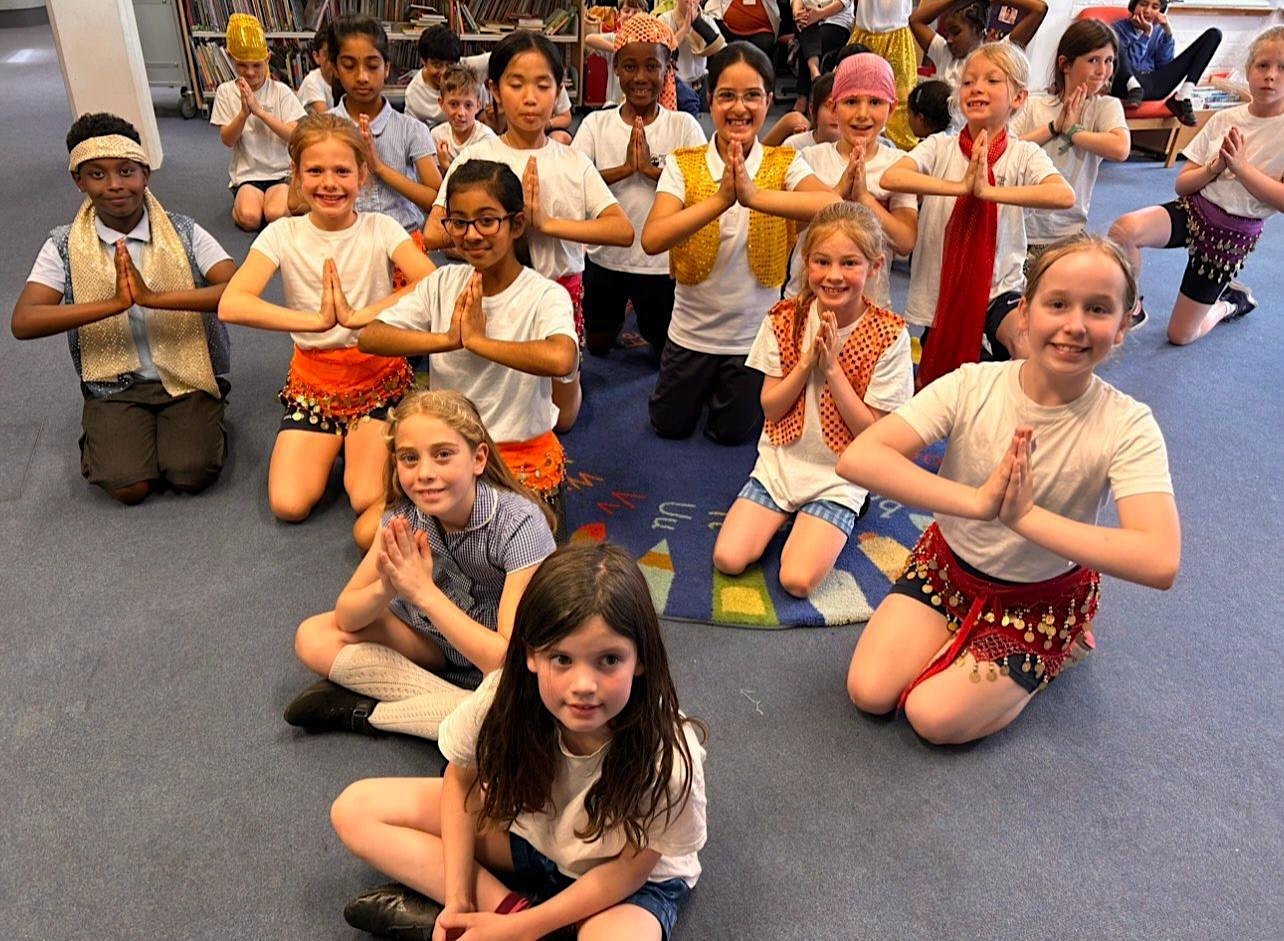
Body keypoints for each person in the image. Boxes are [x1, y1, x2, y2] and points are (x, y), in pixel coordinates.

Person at [840, 234, 1181, 745]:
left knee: (931, 717)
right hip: (948, 569)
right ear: (1024, 313)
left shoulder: (1127, 424)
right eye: (1058, 304)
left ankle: (1059, 646)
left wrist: (1025, 520)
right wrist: (977, 504)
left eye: (1098, 309)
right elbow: (861, 456)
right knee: (870, 692)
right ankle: (962, 643)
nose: (1074, 325)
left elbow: (1160, 559)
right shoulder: (972, 384)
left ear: (1124, 325)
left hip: (1039, 600)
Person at [329, 542, 707, 941]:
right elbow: (461, 782)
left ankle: (515, 928)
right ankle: (504, 912)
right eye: (562, 659)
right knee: (356, 811)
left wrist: (519, 930)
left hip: (623, 882)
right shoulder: (501, 697)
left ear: (640, 659)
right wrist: (457, 899)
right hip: (535, 840)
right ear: (530, 655)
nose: (583, 686)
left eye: (609, 660)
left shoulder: (669, 755)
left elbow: (630, 870)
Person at [284, 388, 557, 744]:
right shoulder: (404, 516)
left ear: (478, 459)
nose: (424, 473)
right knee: (313, 637)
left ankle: (379, 715)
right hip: (434, 643)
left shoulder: (519, 524)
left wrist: (423, 593)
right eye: (409, 458)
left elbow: (504, 659)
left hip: (497, 657)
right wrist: (389, 586)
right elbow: (346, 616)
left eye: (443, 455)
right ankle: (464, 711)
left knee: (532, 695)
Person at [218, 115, 435, 531]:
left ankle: (362, 441)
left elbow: (431, 280)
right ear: (295, 176)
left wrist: (362, 316)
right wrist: (314, 321)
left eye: (342, 171)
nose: (329, 183)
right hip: (314, 385)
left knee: (367, 496)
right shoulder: (282, 234)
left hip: (376, 378)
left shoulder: (381, 227)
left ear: (362, 175)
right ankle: (337, 443)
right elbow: (232, 303)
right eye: (315, 171)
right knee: (289, 503)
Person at [12, 113, 235, 504]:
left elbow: (236, 289)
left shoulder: (183, 230)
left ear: (145, 175)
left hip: (186, 375)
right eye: (97, 174)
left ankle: (202, 415)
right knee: (128, 486)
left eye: (126, 171)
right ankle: (107, 430)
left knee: (190, 474)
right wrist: (113, 304)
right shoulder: (62, 245)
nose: (115, 185)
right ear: (78, 181)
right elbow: (24, 320)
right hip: (113, 385)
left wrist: (154, 299)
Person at [425, 30, 635, 432]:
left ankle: (565, 374)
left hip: (557, 293)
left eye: (543, 85)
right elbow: (434, 232)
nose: (530, 98)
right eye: (516, 84)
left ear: (559, 93)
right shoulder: (478, 157)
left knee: (560, 421)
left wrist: (546, 226)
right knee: (490, 410)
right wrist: (497, 231)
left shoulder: (572, 162)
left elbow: (622, 230)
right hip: (493, 293)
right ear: (494, 91)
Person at [361, 160, 580, 541]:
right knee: (369, 534)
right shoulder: (445, 281)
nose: (471, 234)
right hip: (451, 457)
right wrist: (447, 339)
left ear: (515, 225)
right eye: (458, 222)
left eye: (486, 220)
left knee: (522, 562)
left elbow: (561, 357)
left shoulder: (545, 294)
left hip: (519, 457)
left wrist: (479, 343)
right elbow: (372, 336)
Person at [642, 42, 839, 446]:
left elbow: (832, 204)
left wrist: (753, 197)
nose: (739, 108)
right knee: (668, 426)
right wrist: (720, 200)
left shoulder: (784, 164)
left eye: (752, 96)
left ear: (769, 100)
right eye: (727, 95)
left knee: (730, 435)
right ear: (710, 99)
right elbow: (652, 238)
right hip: (690, 331)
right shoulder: (684, 162)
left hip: (752, 337)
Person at [714, 202, 912, 598]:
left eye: (850, 263)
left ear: (874, 267)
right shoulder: (783, 318)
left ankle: (837, 513)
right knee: (729, 558)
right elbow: (770, 408)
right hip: (781, 463)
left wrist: (834, 370)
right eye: (822, 262)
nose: (834, 276)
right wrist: (807, 362)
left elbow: (872, 434)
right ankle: (789, 512)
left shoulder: (890, 335)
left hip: (842, 475)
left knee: (797, 580)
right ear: (806, 263)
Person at [881, 42, 1074, 388]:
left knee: (1027, 345)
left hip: (998, 287)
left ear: (1017, 97)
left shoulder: (1022, 154)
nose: (977, 88)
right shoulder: (940, 146)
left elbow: (1062, 194)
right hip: (942, 289)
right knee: (940, 388)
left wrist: (989, 193)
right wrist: (961, 187)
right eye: (968, 82)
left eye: (992, 80)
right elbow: (892, 177)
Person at [1109, 26, 1284, 346]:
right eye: (1263, 65)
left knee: (1181, 335)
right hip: (1194, 210)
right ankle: (1132, 307)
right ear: (1249, 70)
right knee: (1124, 230)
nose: (1270, 75)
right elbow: (1183, 184)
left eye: (1282, 68)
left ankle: (1230, 302)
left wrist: (1241, 169)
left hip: (1230, 236)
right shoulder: (1224, 118)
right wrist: (1215, 167)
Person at [573, 15, 708, 358]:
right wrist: (624, 170)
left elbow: (700, 193)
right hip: (605, 258)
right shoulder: (595, 123)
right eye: (630, 66)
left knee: (662, 352)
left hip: (660, 265)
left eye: (652, 66)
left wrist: (649, 171)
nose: (640, 77)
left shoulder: (683, 126)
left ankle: (639, 317)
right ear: (616, 67)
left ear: (668, 68)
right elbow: (576, 183)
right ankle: (620, 318)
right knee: (599, 347)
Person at [1008, 18, 1129, 352]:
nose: (1103, 70)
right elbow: (1006, 146)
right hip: (1020, 228)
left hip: (1067, 231)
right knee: (1016, 314)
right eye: (1093, 60)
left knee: (1053, 312)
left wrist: (1075, 132)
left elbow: (1120, 148)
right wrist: (1055, 126)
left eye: (1109, 61)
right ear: (1065, 63)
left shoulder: (1105, 107)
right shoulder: (1034, 104)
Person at [789, 53, 918, 307]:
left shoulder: (898, 165)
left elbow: (905, 242)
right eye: (851, 101)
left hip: (869, 306)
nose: (862, 114)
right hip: (805, 300)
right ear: (834, 107)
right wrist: (837, 192)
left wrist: (864, 198)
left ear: (891, 109)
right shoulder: (807, 159)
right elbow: (791, 229)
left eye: (875, 102)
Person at [327, 14, 443, 271]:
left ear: (387, 68)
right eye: (349, 65)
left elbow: (436, 199)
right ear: (334, 68)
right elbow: (296, 200)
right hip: (342, 241)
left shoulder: (411, 129)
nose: (362, 77)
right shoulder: (323, 128)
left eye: (372, 65)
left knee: (411, 306)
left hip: (404, 239)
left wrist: (379, 169)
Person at [210, 12, 306, 230]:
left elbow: (294, 135)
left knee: (276, 215)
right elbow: (228, 140)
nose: (250, 72)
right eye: (242, 65)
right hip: (247, 174)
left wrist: (260, 112)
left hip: (281, 172)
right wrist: (244, 114)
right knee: (250, 219)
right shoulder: (225, 92)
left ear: (267, 59)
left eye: (257, 65)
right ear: (231, 58)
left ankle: (283, 198)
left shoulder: (280, 91)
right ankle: (246, 201)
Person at [910, 0, 1046, 118]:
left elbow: (1039, 9)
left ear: (978, 29)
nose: (949, 39)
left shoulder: (997, 55)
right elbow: (915, 21)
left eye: (956, 32)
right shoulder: (944, 52)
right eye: (947, 33)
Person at [1110, 0, 1222, 127]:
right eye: (1143, 4)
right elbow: (1129, 66)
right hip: (1127, 87)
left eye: (1155, 7)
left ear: (1160, 11)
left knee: (1214, 35)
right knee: (1110, 38)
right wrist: (1146, 34)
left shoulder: (1159, 31)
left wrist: (1168, 33)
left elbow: (1164, 66)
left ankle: (1182, 96)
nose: (1147, 11)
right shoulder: (1118, 28)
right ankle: (1134, 87)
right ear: (1134, 5)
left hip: (1153, 85)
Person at [846, 0, 919, 149]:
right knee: (854, 92)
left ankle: (899, 155)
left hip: (896, 33)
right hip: (865, 31)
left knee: (899, 99)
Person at [657, 0, 727, 110]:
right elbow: (658, 53)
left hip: (702, 82)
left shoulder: (706, 20)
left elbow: (723, 51)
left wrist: (698, 23)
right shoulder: (664, 20)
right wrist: (684, 30)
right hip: (675, 86)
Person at [431, 64, 497, 175]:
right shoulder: (437, 135)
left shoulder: (486, 138)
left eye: (468, 105)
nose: (461, 113)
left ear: (478, 106)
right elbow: (436, 184)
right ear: (441, 104)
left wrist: (446, 165)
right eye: (453, 104)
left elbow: (480, 184)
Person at [791, 0, 853, 113]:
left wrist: (819, 14)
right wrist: (797, 14)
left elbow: (843, 2)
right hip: (808, 19)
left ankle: (802, 96)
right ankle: (815, 75)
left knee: (808, 40)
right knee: (805, 25)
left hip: (836, 21)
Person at [782, 72, 841, 150]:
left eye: (842, 106)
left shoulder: (857, 151)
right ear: (813, 110)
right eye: (829, 106)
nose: (836, 113)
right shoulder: (793, 146)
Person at [297, 28, 336, 116]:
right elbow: (326, 122)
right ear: (316, 57)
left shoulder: (342, 79)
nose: (333, 59)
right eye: (328, 54)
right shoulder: (312, 81)